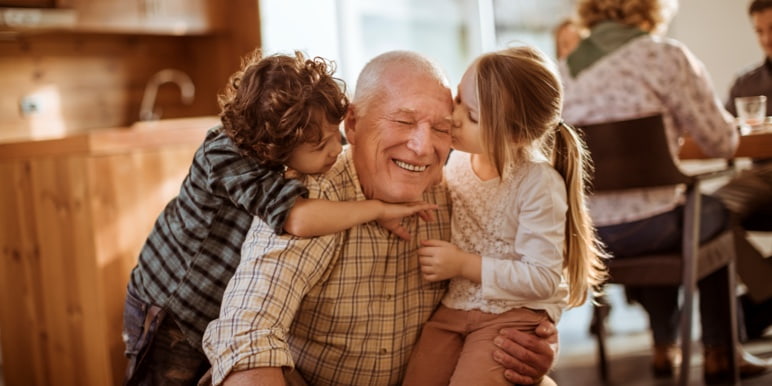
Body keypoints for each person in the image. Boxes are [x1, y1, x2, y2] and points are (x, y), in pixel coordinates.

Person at [202, 50, 559, 386]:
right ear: (353, 124)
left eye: (441, 128)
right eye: (404, 121)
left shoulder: (458, 187)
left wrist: (539, 332)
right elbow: (247, 333)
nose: (422, 147)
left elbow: (536, 265)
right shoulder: (310, 198)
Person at [121, 50, 440, 385]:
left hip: (218, 308)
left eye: (337, 135)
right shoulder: (224, 155)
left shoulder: (305, 137)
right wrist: (377, 210)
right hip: (173, 307)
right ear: (275, 147)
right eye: (321, 147)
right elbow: (299, 219)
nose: (336, 149)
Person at [559, 0, 770, 383]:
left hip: (592, 235)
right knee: (707, 213)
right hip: (655, 228)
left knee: (669, 212)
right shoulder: (666, 57)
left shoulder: (564, 71)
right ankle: (722, 353)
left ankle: (662, 346)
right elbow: (721, 141)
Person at [400, 46, 607, 386]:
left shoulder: (537, 183)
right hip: (456, 307)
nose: (453, 118)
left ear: (516, 135)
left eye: (473, 117)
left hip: (512, 315)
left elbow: (541, 277)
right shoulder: (458, 161)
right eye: (458, 102)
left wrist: (463, 264)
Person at [717, 0, 772, 341]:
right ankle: (767, 292)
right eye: (760, 31)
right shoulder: (745, 84)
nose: (767, 39)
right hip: (759, 177)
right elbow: (722, 137)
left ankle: (761, 303)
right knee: (704, 213)